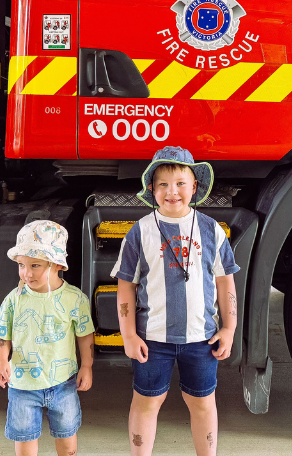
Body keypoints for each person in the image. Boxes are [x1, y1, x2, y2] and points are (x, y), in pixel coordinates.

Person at [115, 145, 239, 456]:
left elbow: (226, 281)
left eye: (181, 183)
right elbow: (126, 287)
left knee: (202, 403)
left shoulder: (211, 230)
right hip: (152, 339)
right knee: (146, 402)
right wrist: (128, 335)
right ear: (152, 189)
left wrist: (229, 328)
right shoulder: (140, 231)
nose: (173, 192)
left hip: (201, 338)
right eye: (163, 185)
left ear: (194, 187)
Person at [0, 219, 95, 456]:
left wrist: (87, 366)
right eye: (21, 265)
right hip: (22, 385)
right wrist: (1, 361)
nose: (26, 274)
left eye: (35, 265)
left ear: (57, 265)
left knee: (67, 441)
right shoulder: (14, 299)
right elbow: (2, 334)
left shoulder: (75, 299)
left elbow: (85, 335)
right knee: (25, 443)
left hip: (64, 383)